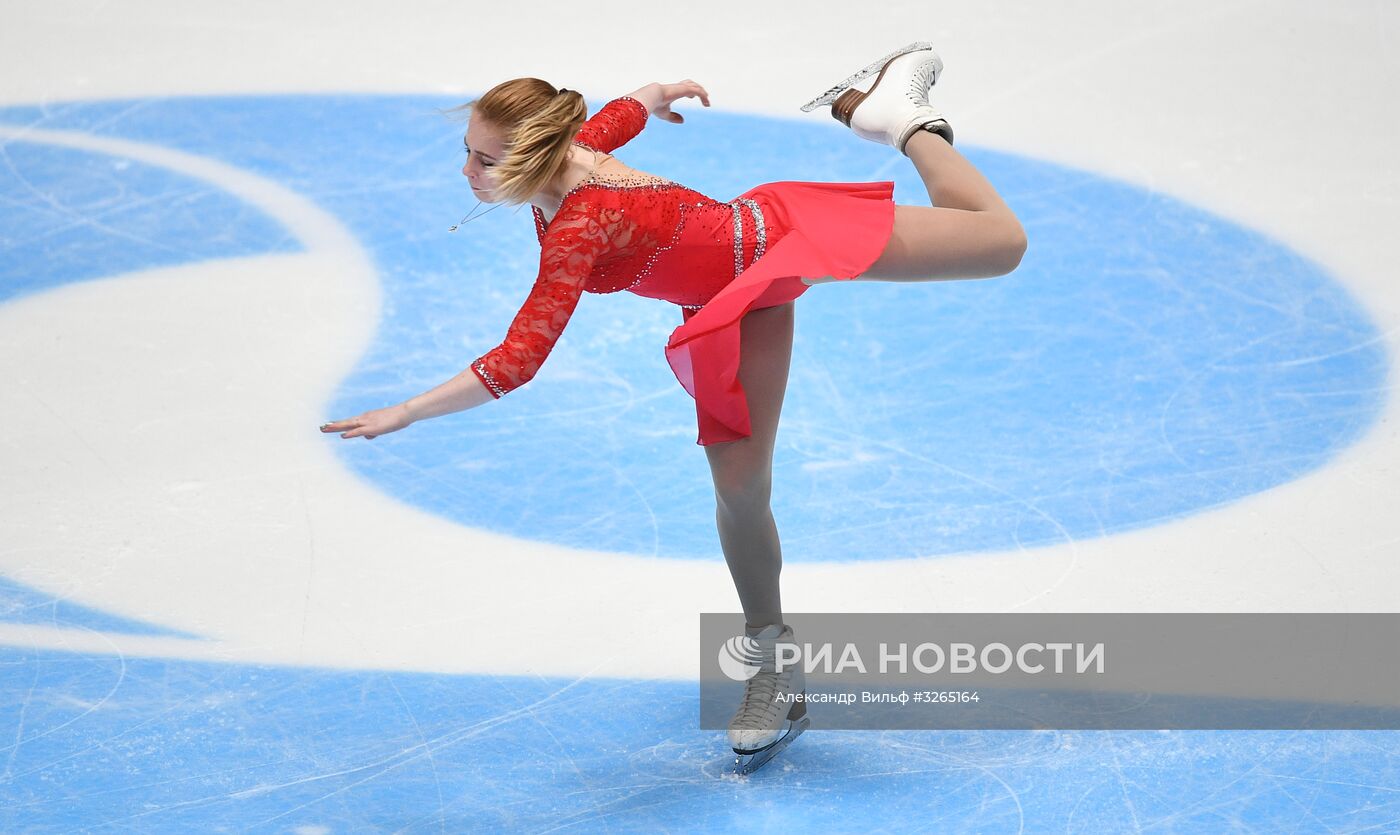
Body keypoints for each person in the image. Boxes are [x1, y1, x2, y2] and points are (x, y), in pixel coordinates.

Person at [320, 41, 1026, 770]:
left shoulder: (579, 228)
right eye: (469, 153)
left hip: (781, 239)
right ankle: (775, 667)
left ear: (535, 156)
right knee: (741, 490)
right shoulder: (572, 151)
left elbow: (518, 359)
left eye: (484, 162)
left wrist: (404, 412)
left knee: (1000, 241)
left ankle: (902, 118)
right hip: (728, 310)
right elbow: (616, 118)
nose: (467, 174)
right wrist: (655, 94)